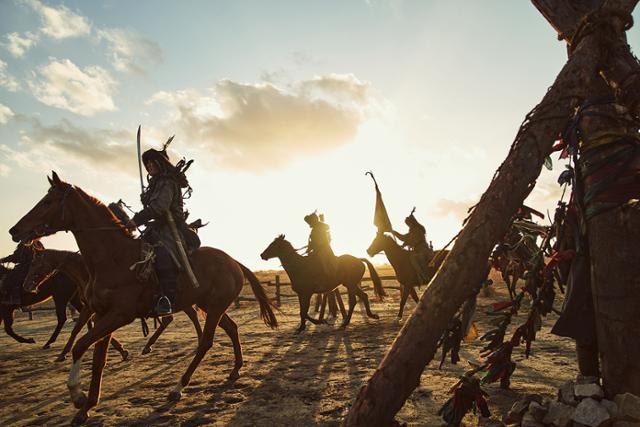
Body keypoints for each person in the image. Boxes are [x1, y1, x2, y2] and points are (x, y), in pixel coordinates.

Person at [126, 147, 196, 315]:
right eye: (147, 163)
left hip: (170, 229)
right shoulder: (155, 184)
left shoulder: (168, 182)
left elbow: (159, 208)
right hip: (156, 227)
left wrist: (136, 220)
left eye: (152, 162)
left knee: (163, 256)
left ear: (160, 163)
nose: (149, 166)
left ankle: (167, 300)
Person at [392, 208, 431, 284]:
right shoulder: (412, 230)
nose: (408, 225)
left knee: (413, 258)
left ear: (412, 222)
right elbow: (406, 239)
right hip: (417, 249)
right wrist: (394, 232)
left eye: (408, 223)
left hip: (423, 249)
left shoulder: (417, 229)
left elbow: (407, 239)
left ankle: (424, 276)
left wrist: (394, 233)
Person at [0, 240, 44, 305]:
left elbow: (16, 257)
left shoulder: (25, 243)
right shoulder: (38, 242)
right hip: (39, 266)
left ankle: (15, 298)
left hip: (28, 266)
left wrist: (3, 260)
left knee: (10, 277)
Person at [304, 212, 337, 281]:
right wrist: (309, 248)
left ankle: (328, 275)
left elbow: (320, 240)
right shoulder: (314, 229)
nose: (309, 224)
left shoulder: (320, 227)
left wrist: (320, 221)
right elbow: (313, 242)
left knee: (321, 260)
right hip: (317, 250)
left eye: (309, 222)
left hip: (324, 249)